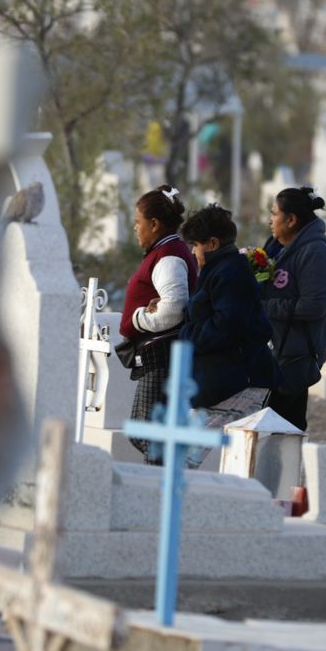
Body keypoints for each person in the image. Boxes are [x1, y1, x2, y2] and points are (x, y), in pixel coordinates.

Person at [121, 185, 197, 458]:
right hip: (158, 356)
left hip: (162, 356)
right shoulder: (165, 251)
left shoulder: (169, 257)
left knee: (148, 434)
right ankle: (162, 475)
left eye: (138, 222)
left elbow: (174, 309)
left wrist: (138, 318)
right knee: (146, 432)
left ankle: (165, 477)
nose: (135, 228)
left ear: (154, 224)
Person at [179, 204, 276, 409]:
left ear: (213, 243)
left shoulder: (230, 273)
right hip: (220, 380)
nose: (193, 252)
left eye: (196, 245)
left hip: (235, 383)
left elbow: (225, 328)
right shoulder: (218, 270)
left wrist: (186, 332)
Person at [260, 186, 326, 431]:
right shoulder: (274, 247)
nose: (270, 220)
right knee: (259, 432)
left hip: (294, 358)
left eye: (274, 213)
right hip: (270, 354)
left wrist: (265, 307)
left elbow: (314, 306)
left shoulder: (315, 252)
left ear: (291, 220)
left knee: (283, 432)